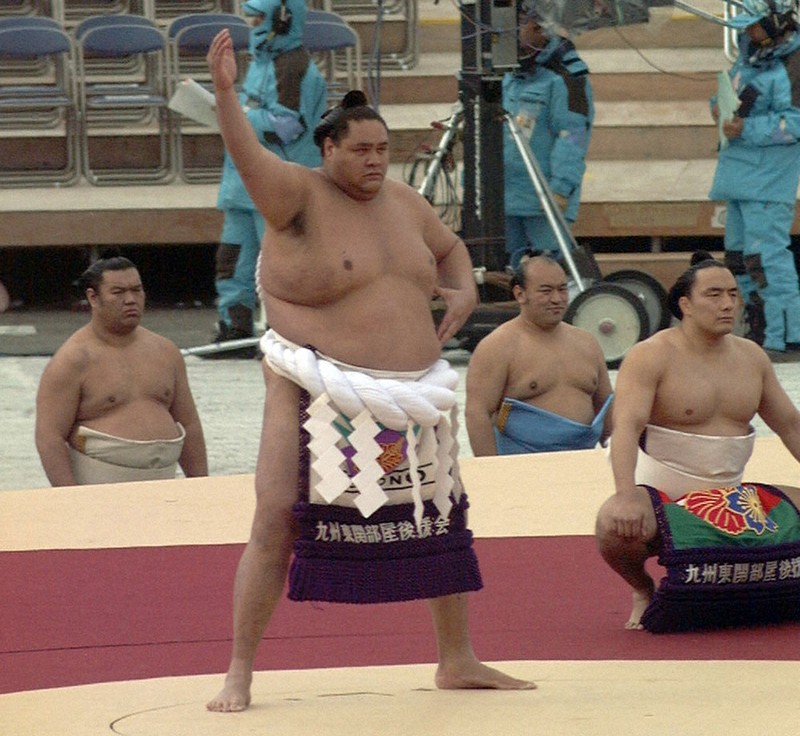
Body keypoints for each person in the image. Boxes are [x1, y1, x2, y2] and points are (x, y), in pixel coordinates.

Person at [204, 30, 535, 712]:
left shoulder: (406, 201)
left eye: (382, 149)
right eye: (360, 149)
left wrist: (464, 286)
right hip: (313, 387)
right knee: (276, 520)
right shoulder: (295, 196)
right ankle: (239, 670)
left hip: (412, 393)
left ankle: (457, 658)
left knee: (440, 516)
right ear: (327, 150)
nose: (375, 161)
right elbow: (246, 152)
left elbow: (449, 253)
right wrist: (228, 94)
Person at [595, 252, 800, 630]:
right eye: (714, 294)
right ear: (685, 304)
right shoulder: (650, 355)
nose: (727, 304)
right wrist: (625, 494)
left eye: (733, 295)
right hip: (661, 493)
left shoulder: (751, 357)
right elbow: (625, 428)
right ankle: (643, 589)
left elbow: (791, 426)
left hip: (732, 495)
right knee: (612, 525)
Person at [211, 0, 327, 352]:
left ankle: (292, 336)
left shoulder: (295, 67)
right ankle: (234, 329)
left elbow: (288, 126)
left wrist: (240, 117)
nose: (253, 23)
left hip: (274, 183)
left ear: (282, 18)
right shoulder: (261, 62)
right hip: (241, 183)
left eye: (259, 17)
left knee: (280, 265)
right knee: (232, 260)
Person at [35, 256, 208, 486]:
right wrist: (69, 498)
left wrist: (201, 485)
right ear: (93, 297)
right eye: (118, 292)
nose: (130, 300)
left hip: (164, 485)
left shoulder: (166, 351)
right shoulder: (73, 360)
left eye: (137, 290)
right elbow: (49, 437)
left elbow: (189, 423)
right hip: (98, 485)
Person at [710, 0, 800, 354]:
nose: (749, 33)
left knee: (766, 258)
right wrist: (716, 108)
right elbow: (728, 93)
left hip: (768, 178)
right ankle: (759, 330)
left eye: (755, 26)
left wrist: (746, 127)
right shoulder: (749, 56)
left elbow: (795, 123)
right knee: (738, 259)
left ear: (776, 22)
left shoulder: (795, 61)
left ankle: (787, 335)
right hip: (737, 174)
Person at [465, 254, 612, 455]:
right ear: (520, 294)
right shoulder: (498, 346)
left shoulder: (587, 343)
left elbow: (607, 409)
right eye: (546, 291)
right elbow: (477, 414)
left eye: (562, 289)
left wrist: (617, 462)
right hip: (520, 463)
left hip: (582, 460)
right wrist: (491, 473)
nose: (556, 299)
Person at [502, 5, 594, 270]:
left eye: (518, 24)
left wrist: (562, 187)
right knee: (502, 278)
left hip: (544, 200)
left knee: (553, 277)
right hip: (504, 198)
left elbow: (574, 135)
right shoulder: (504, 68)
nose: (509, 32)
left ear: (539, 26)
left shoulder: (567, 75)